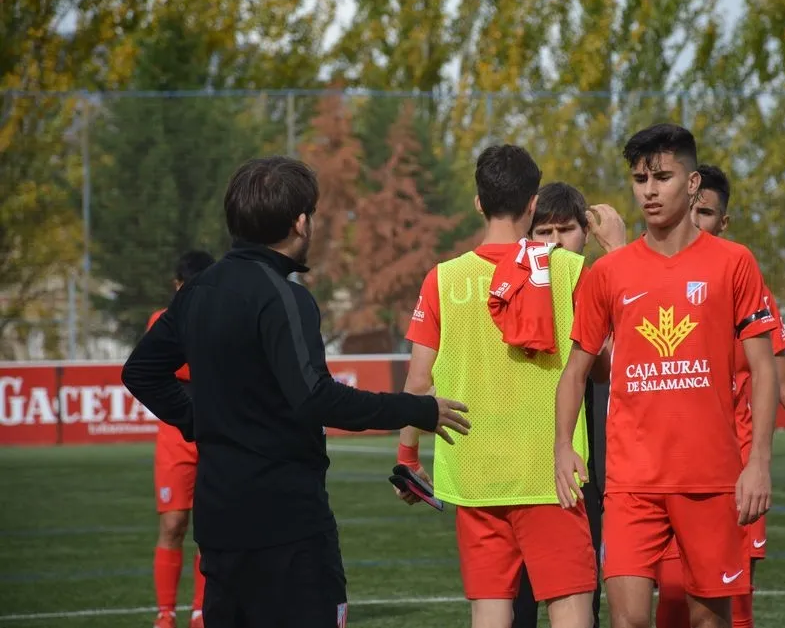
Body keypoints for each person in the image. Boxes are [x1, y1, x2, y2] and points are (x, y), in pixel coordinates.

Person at [121, 155, 471, 628]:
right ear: (301, 222)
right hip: (285, 524)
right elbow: (317, 398)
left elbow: (140, 372)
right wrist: (418, 409)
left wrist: (200, 421)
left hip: (219, 522)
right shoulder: (284, 296)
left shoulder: (197, 291)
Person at [554, 123, 779, 628]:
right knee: (629, 620)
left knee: (707, 621)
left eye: (662, 177)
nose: (649, 192)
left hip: (712, 479)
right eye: (640, 179)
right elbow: (575, 370)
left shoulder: (734, 263)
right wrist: (562, 445)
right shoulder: (609, 273)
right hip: (630, 482)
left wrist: (759, 462)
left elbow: (766, 370)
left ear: (693, 182)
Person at [395, 146, 602, 628]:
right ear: (534, 204)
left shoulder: (443, 279)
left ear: (478, 203)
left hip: (474, 477)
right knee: (570, 607)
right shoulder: (569, 270)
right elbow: (604, 363)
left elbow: (418, 380)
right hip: (551, 476)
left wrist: (407, 457)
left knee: (489, 611)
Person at [653, 165, 785, 628]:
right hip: (666, 470)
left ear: (723, 222)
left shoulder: (745, 286)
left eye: (706, 213)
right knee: (673, 602)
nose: (694, 220)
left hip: (735, 473)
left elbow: (784, 380)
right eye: (690, 209)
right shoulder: (648, 279)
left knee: (734, 605)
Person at [512, 184, 627, 628]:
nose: (555, 242)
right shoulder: (511, 287)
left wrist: (617, 253)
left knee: (584, 602)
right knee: (517, 604)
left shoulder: (607, 281)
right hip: (521, 470)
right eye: (544, 232)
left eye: (566, 230)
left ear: (586, 232)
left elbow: (625, 360)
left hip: (589, 469)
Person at [147, 250, 215, 628]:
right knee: (173, 524)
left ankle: (201, 611)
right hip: (175, 437)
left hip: (217, 434)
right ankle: (165, 614)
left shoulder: (224, 320)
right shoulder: (161, 320)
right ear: (177, 287)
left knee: (210, 526)